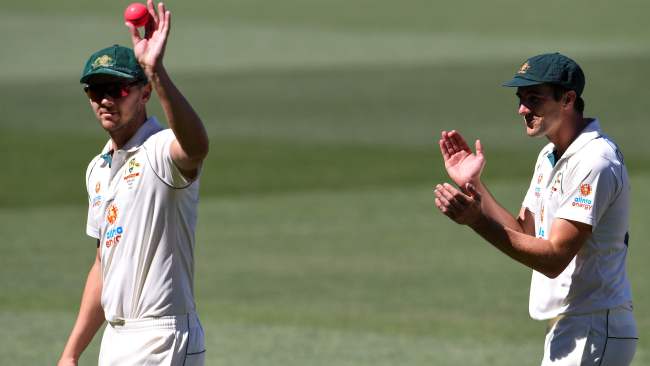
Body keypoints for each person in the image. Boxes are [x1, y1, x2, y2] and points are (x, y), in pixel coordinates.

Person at [433, 52, 637, 365]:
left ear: (568, 99)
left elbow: (554, 258)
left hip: (593, 328)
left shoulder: (595, 161)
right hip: (570, 328)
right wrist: (474, 185)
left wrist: (477, 222)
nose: (522, 109)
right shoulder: (549, 155)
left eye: (534, 99)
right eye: (521, 98)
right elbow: (526, 232)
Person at [57, 1, 209, 365]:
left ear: (144, 93)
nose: (106, 100)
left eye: (118, 89)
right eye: (95, 91)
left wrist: (156, 71)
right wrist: (71, 352)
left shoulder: (159, 150)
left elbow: (196, 147)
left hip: (162, 337)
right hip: (116, 338)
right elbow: (103, 264)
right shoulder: (98, 168)